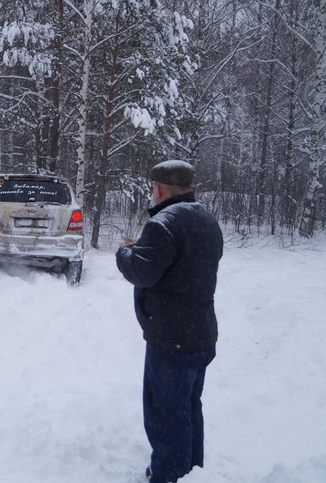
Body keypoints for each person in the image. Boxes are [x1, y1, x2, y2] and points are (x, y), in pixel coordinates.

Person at [115, 160, 223, 483]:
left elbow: (142, 272)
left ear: (160, 189)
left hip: (171, 340)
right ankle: (189, 472)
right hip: (200, 335)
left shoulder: (163, 224)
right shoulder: (207, 219)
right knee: (188, 408)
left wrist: (124, 253)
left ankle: (167, 476)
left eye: (153, 188)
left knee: (165, 414)